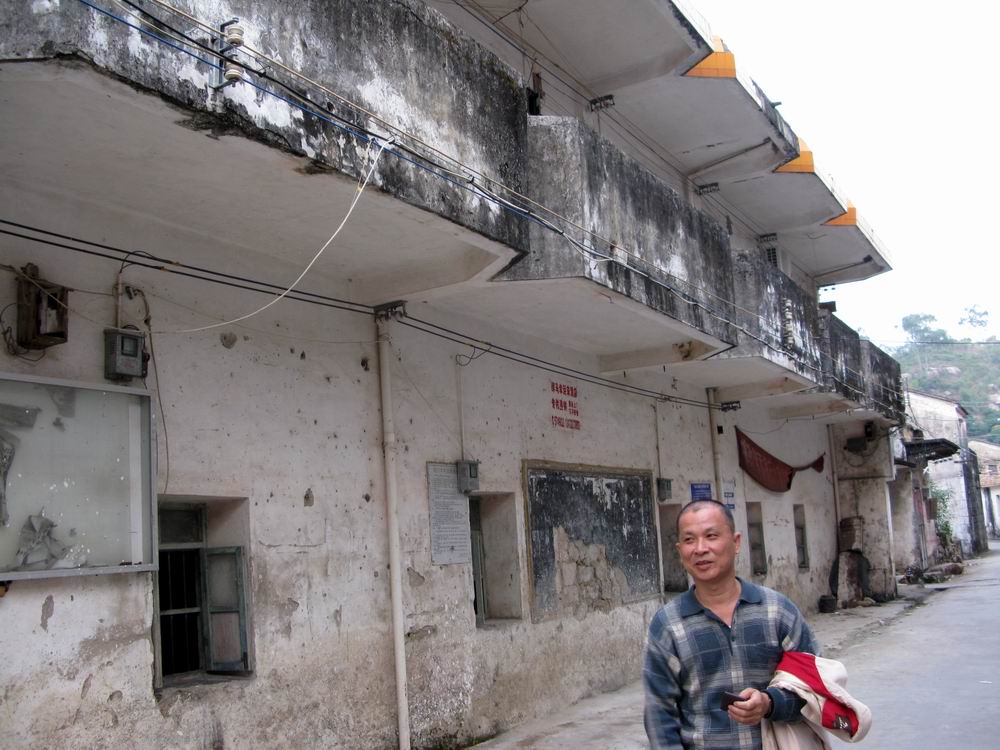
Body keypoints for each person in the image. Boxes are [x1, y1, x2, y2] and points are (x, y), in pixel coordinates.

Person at [644, 499, 819, 749]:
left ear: (736, 542)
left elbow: (814, 689)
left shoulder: (777, 611)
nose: (700, 549)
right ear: (680, 550)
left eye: (711, 536)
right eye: (690, 540)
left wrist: (770, 703)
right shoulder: (668, 625)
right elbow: (659, 714)